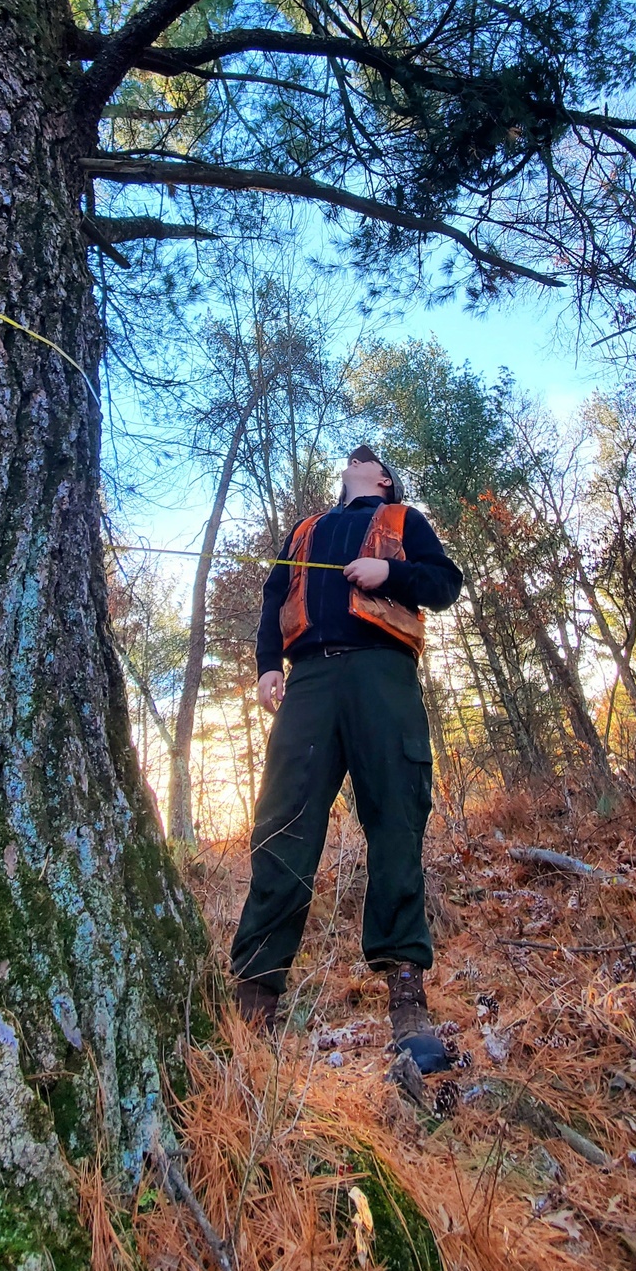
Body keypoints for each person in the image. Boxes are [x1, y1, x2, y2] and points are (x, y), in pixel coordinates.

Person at [230, 445, 463, 1040]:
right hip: (307, 681)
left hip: (382, 674)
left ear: (383, 479)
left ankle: (405, 986)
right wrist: (266, 665)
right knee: (282, 821)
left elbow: (443, 584)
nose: (356, 456)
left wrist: (392, 573)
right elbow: (273, 597)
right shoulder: (306, 529)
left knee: (396, 817)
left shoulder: (404, 519)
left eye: (371, 457)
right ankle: (255, 995)